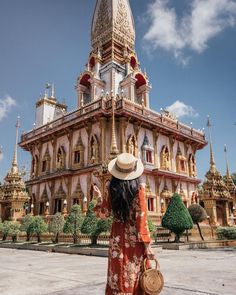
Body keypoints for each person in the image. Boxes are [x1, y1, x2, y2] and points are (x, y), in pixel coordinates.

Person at [93, 153, 155, 295]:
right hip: (135, 241)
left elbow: (103, 214)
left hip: (117, 240)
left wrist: (98, 198)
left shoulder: (110, 187)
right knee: (133, 274)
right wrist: (148, 245)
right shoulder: (139, 188)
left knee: (117, 273)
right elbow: (141, 218)